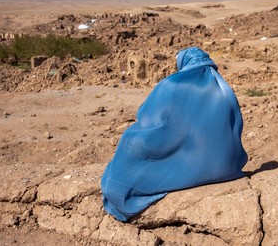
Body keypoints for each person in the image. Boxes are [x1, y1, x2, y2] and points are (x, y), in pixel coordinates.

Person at [101, 47, 248, 222]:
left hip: (194, 158)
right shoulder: (223, 88)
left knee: (130, 141)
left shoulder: (173, 83)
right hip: (228, 165)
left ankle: (123, 188)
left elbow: (147, 117)